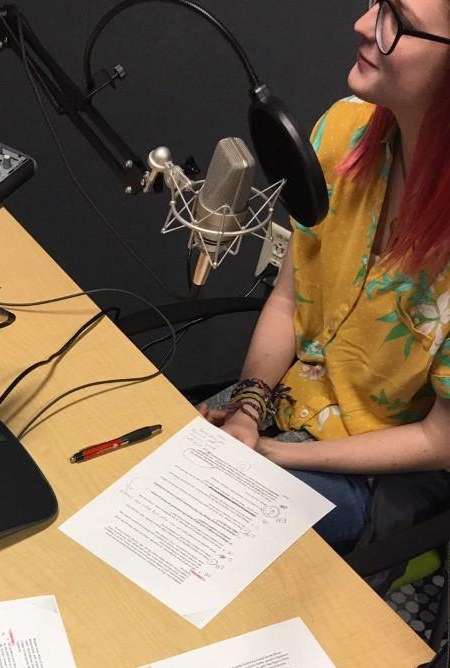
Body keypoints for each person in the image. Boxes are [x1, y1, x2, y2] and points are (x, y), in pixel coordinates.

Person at [200, 0, 450, 556]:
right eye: (376, 4)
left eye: (397, 23)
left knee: (213, 520)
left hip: (378, 472)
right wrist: (246, 414)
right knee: (152, 465)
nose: (363, 26)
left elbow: (440, 439)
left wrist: (277, 455)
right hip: (281, 408)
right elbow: (288, 300)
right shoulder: (341, 129)